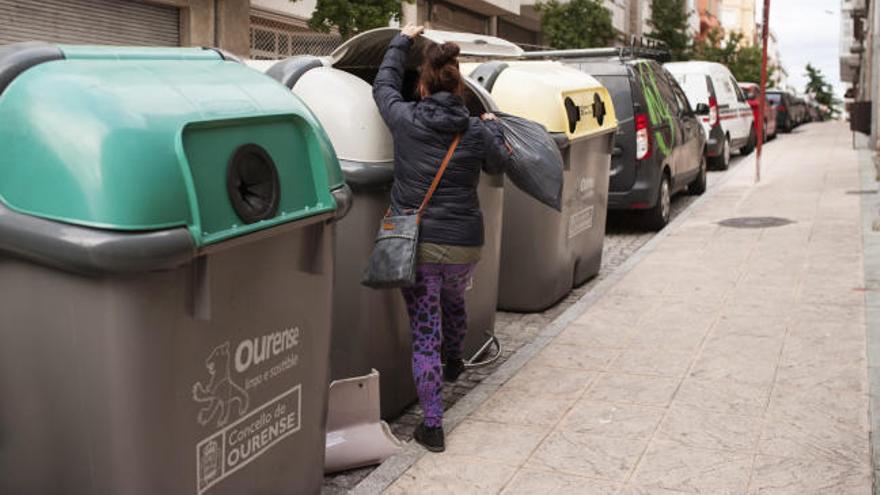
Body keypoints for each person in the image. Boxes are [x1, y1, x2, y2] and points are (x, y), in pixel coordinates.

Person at [373, 24, 510, 452]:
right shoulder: (475, 130)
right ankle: (455, 355)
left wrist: (402, 40)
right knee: (454, 299)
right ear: (459, 85)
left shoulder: (405, 119)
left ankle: (432, 425)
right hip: (465, 245)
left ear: (422, 84)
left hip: (419, 247)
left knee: (424, 333)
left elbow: (382, 85)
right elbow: (499, 166)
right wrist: (494, 126)